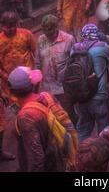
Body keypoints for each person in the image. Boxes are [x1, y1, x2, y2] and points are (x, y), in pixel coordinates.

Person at [8, 66, 78, 172]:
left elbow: (36, 159)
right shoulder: (46, 97)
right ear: (33, 85)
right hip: (62, 160)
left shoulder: (26, 117)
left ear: (12, 92)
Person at [0, 11, 36, 161]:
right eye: (7, 27)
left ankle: (33, 137)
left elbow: (34, 53)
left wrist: (34, 77)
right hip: (9, 86)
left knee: (32, 109)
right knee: (16, 112)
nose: (10, 29)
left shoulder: (27, 34)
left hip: (28, 82)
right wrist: (6, 78)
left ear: (18, 24)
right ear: (2, 26)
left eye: (13, 26)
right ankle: (22, 137)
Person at [72, 23, 109, 141]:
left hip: (81, 97)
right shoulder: (103, 46)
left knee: (83, 129)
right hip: (100, 95)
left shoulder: (75, 48)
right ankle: (104, 156)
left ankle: (81, 155)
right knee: (104, 129)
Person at [35, 15, 76, 124]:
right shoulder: (41, 40)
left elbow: (75, 63)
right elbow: (38, 63)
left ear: (57, 27)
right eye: (46, 33)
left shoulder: (69, 39)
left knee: (68, 116)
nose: (48, 36)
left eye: (51, 33)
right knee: (52, 118)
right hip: (47, 87)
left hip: (64, 87)